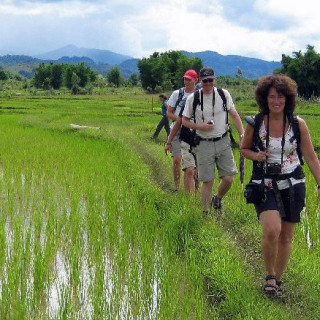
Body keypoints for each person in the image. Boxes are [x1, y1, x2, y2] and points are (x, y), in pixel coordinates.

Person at [241, 74, 320, 296]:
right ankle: (269, 275)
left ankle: (277, 279)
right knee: (272, 228)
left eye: (281, 97)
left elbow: (311, 157)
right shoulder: (255, 123)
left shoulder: (298, 124)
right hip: (265, 183)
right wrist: (256, 156)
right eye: (272, 96)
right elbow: (244, 149)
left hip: (294, 183)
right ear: (264, 99)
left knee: (286, 235)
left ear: (288, 99)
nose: (276, 101)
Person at [182, 67, 244, 214]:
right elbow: (184, 121)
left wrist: (242, 135)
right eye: (205, 81)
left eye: (210, 80)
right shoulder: (193, 98)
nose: (208, 84)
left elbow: (234, 115)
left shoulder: (223, 94)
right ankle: (205, 213)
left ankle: (217, 198)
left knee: (228, 178)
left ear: (214, 80)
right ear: (200, 81)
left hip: (223, 140)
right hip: (203, 143)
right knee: (207, 181)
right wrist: (199, 126)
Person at [165, 69, 198, 192]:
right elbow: (169, 112)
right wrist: (182, 120)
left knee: (194, 165)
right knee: (177, 159)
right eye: (185, 79)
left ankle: (194, 189)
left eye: (189, 79)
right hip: (177, 128)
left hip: (193, 131)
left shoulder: (199, 94)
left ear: (195, 80)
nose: (186, 81)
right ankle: (177, 187)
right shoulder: (177, 94)